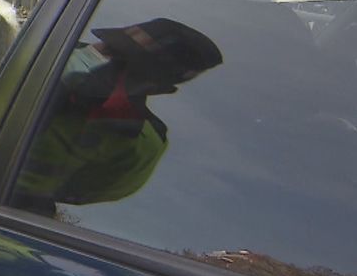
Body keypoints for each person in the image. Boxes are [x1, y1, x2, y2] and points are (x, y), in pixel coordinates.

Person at [14, 17, 223, 211]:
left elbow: (71, 198)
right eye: (108, 48)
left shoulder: (140, 146)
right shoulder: (44, 56)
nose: (97, 56)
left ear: (151, 87)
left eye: (122, 64)